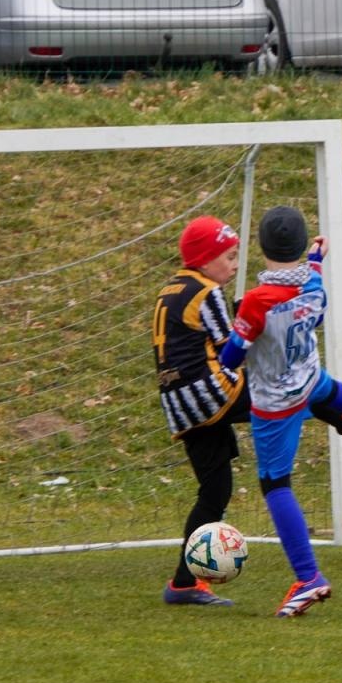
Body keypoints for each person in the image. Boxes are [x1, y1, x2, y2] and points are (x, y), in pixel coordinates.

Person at [218, 205, 342, 616]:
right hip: (308, 380)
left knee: (275, 485)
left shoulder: (255, 302)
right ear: (300, 245)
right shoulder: (313, 284)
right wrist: (314, 259)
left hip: (274, 405)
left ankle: (308, 577)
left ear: (261, 247)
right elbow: (316, 309)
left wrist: (236, 329)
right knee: (331, 392)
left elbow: (231, 358)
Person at [152, 216, 251, 606]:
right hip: (207, 395)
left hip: (180, 406)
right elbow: (232, 352)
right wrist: (251, 321)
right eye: (229, 257)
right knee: (289, 394)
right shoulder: (206, 291)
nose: (235, 265)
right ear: (206, 260)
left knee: (215, 490)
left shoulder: (171, 288)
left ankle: (183, 583)